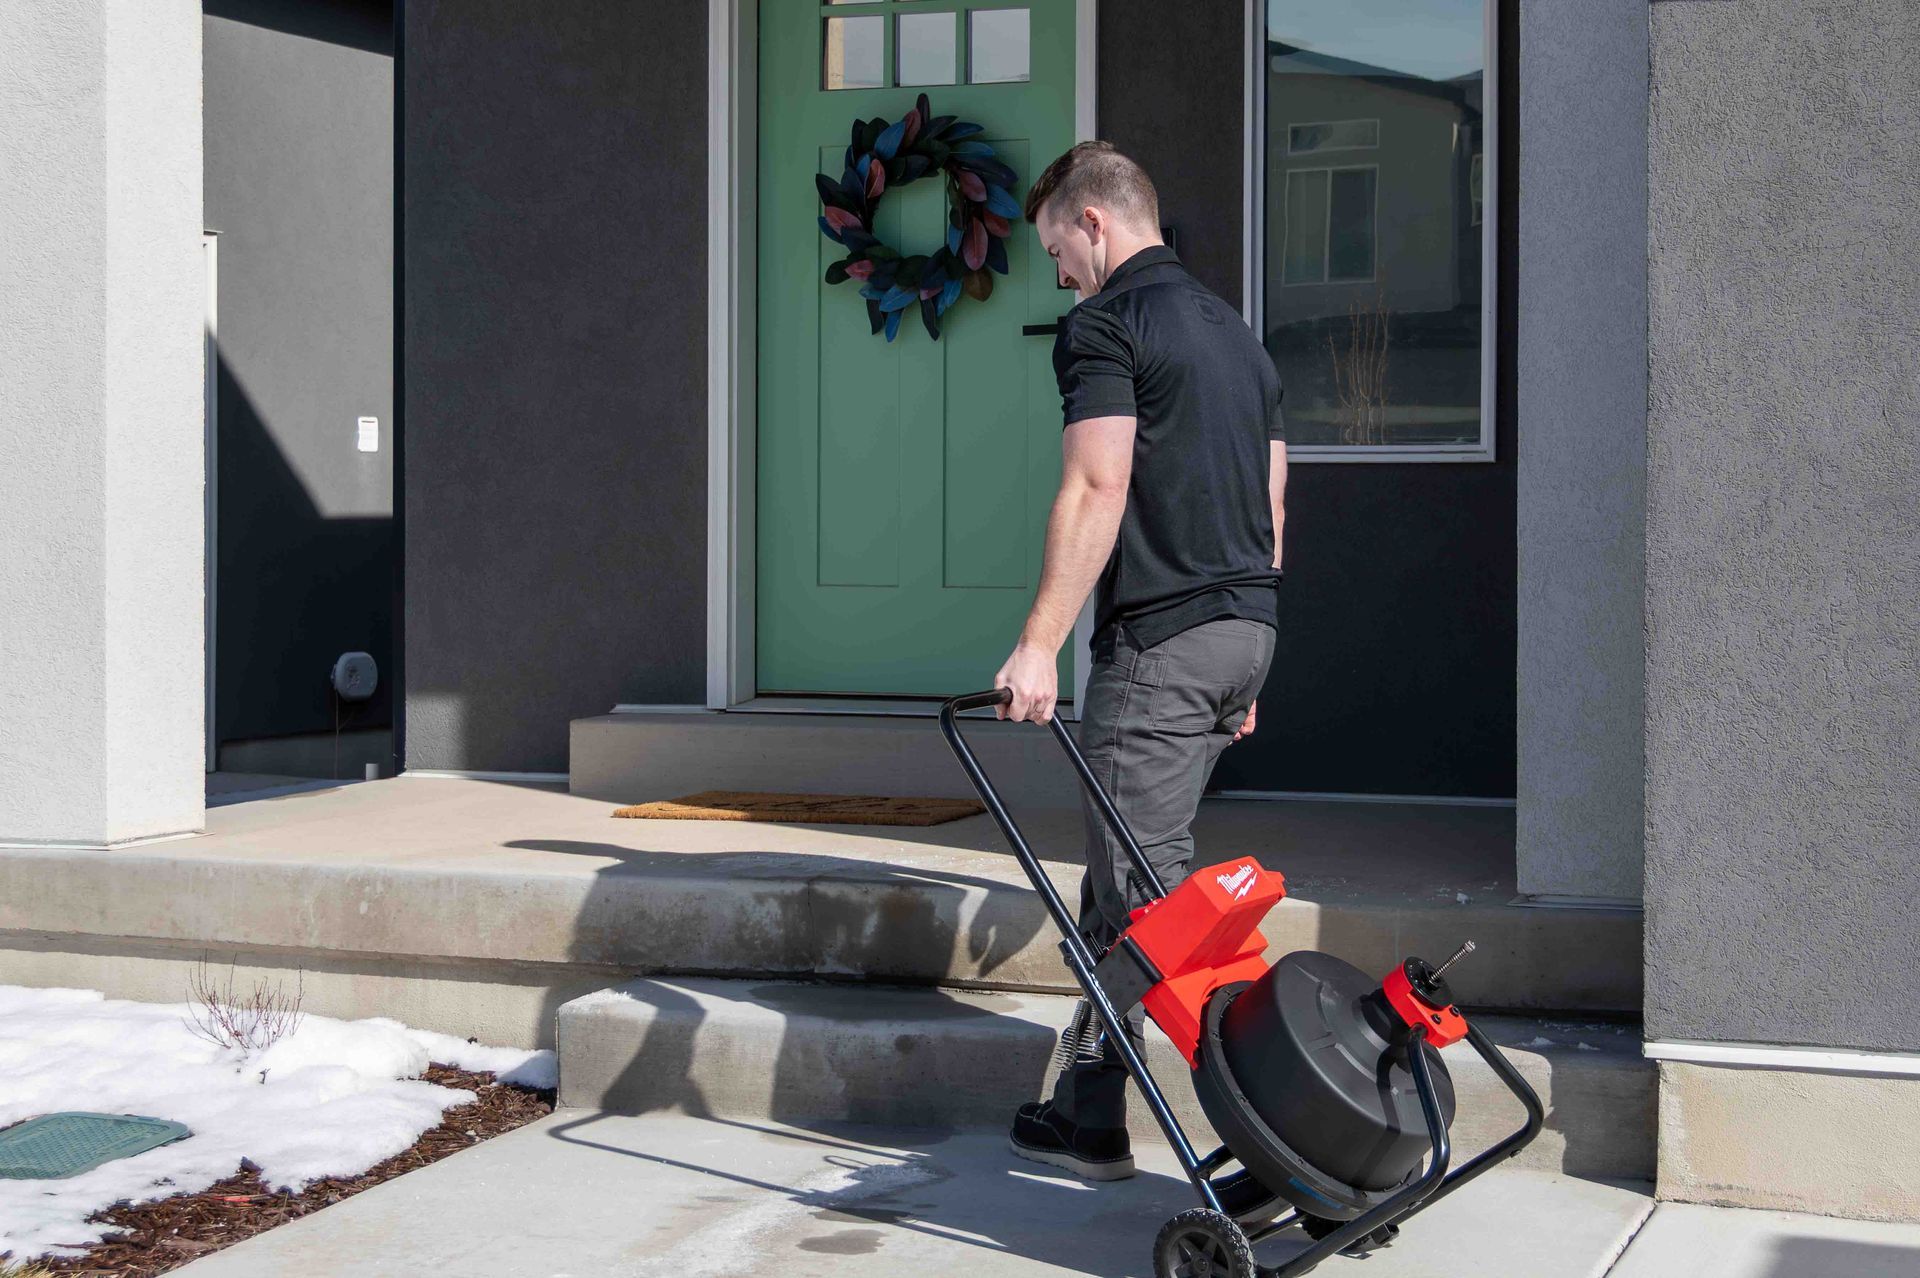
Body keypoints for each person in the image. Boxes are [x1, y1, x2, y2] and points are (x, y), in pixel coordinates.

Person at [992, 141, 1286, 1182]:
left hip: (1161, 644)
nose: (1057, 274)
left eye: (1055, 250)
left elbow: (1096, 487)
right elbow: (1273, 499)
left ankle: (1288, 1129)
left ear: (1094, 224)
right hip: (1242, 628)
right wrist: (1241, 660)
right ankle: (1088, 1108)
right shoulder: (1237, 337)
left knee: (1157, 906)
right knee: (1124, 882)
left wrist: (1038, 645)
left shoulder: (1106, 325)